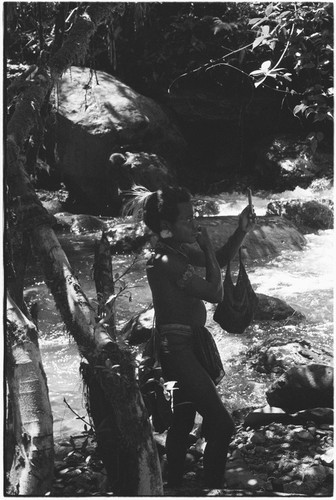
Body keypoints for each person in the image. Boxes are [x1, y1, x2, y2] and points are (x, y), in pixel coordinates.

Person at [141, 186, 255, 489]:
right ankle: (211, 485)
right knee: (222, 425)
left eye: (195, 217)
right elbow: (215, 292)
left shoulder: (175, 250)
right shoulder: (164, 261)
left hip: (182, 347)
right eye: (188, 219)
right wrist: (205, 248)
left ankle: (174, 483)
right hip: (177, 350)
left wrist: (240, 231)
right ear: (167, 227)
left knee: (183, 419)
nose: (195, 224)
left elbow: (216, 258)